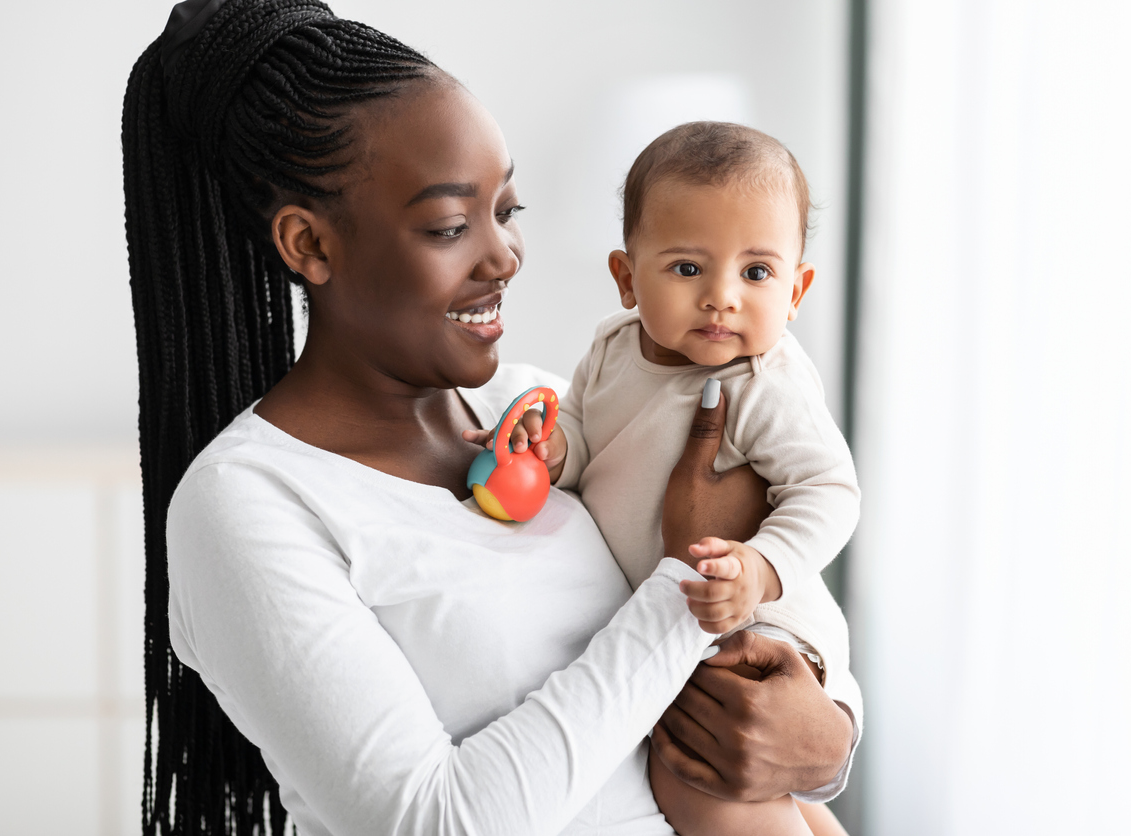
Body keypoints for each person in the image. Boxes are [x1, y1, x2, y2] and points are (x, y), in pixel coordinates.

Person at [123, 1, 859, 833]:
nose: (505, 257)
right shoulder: (248, 506)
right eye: (448, 225)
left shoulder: (541, 409)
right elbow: (434, 823)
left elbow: (787, 620)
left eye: (506, 211)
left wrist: (827, 735)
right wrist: (686, 586)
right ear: (310, 245)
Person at [471, 122, 859, 834]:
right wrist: (552, 450)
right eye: (688, 269)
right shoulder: (612, 349)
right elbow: (591, 442)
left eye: (757, 273)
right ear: (626, 277)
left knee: (695, 778)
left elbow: (830, 491)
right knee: (784, 804)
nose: (722, 298)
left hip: (758, 623)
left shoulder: (763, 382)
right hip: (690, 623)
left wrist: (759, 566)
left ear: (796, 289)